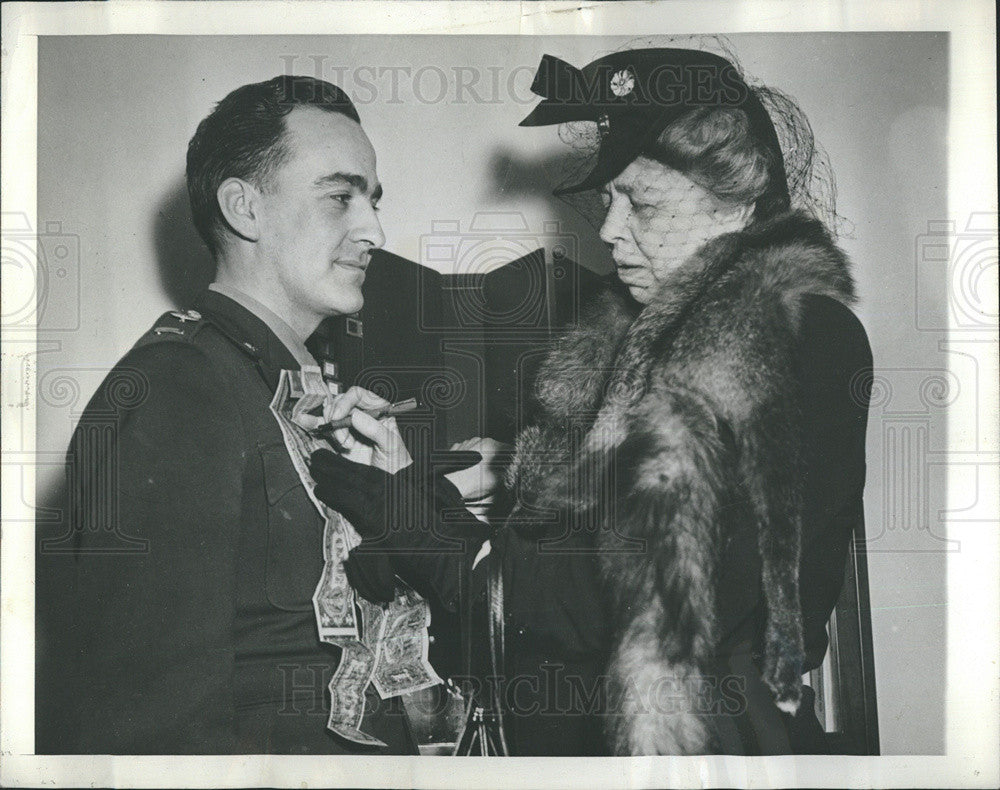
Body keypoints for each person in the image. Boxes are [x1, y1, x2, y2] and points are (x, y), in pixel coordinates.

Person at [35, 75, 489, 754]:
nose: (374, 230)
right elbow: (143, 724)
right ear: (245, 210)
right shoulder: (181, 385)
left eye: (371, 199)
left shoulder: (277, 382)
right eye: (340, 197)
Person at [493, 48, 873, 755]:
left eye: (642, 202)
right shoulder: (624, 338)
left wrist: (464, 559)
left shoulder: (804, 334)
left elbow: (672, 599)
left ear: (741, 200)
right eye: (609, 201)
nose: (609, 231)